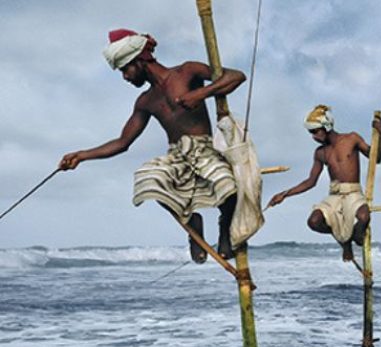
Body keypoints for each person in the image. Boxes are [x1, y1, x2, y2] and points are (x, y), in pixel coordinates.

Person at [59, 29, 247, 263]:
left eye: (125, 69)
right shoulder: (145, 101)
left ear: (139, 61)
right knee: (147, 178)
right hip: (177, 156)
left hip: (205, 149)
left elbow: (236, 76)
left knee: (227, 185)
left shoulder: (186, 71)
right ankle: (192, 224)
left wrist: (201, 94)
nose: (125, 77)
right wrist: (81, 155)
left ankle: (225, 228)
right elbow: (122, 142)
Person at [266, 105, 381, 262]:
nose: (313, 136)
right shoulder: (320, 152)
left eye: (315, 131)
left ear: (327, 126)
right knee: (313, 222)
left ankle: (354, 237)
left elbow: (376, 158)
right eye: (311, 132)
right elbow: (311, 181)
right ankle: (345, 242)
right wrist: (284, 194)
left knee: (363, 217)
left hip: (353, 192)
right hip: (334, 195)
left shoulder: (351, 138)